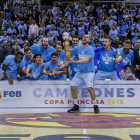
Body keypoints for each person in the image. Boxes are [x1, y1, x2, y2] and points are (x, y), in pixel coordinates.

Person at [66, 34, 99, 113]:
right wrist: (66, 42)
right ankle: (75, 106)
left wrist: (74, 61)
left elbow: (85, 60)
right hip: (80, 72)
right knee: (73, 87)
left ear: (89, 40)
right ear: (81, 39)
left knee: (89, 88)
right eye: (84, 36)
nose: (85, 37)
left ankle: (95, 105)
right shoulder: (77, 48)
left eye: (87, 37)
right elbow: (67, 51)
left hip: (89, 72)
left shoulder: (90, 49)